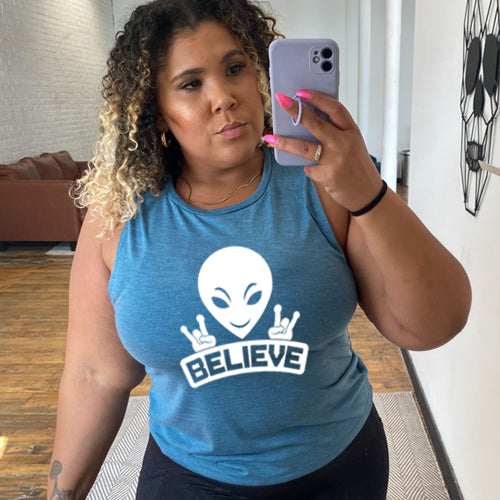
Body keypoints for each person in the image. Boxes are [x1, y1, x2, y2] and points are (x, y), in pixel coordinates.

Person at [47, 0, 472, 498]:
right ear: (157, 111)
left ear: (259, 78)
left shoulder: (325, 188)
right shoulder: (117, 218)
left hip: (337, 468)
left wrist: (369, 194)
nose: (224, 97)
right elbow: (95, 376)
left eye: (235, 69)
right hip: (190, 475)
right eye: (191, 84)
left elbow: (431, 324)